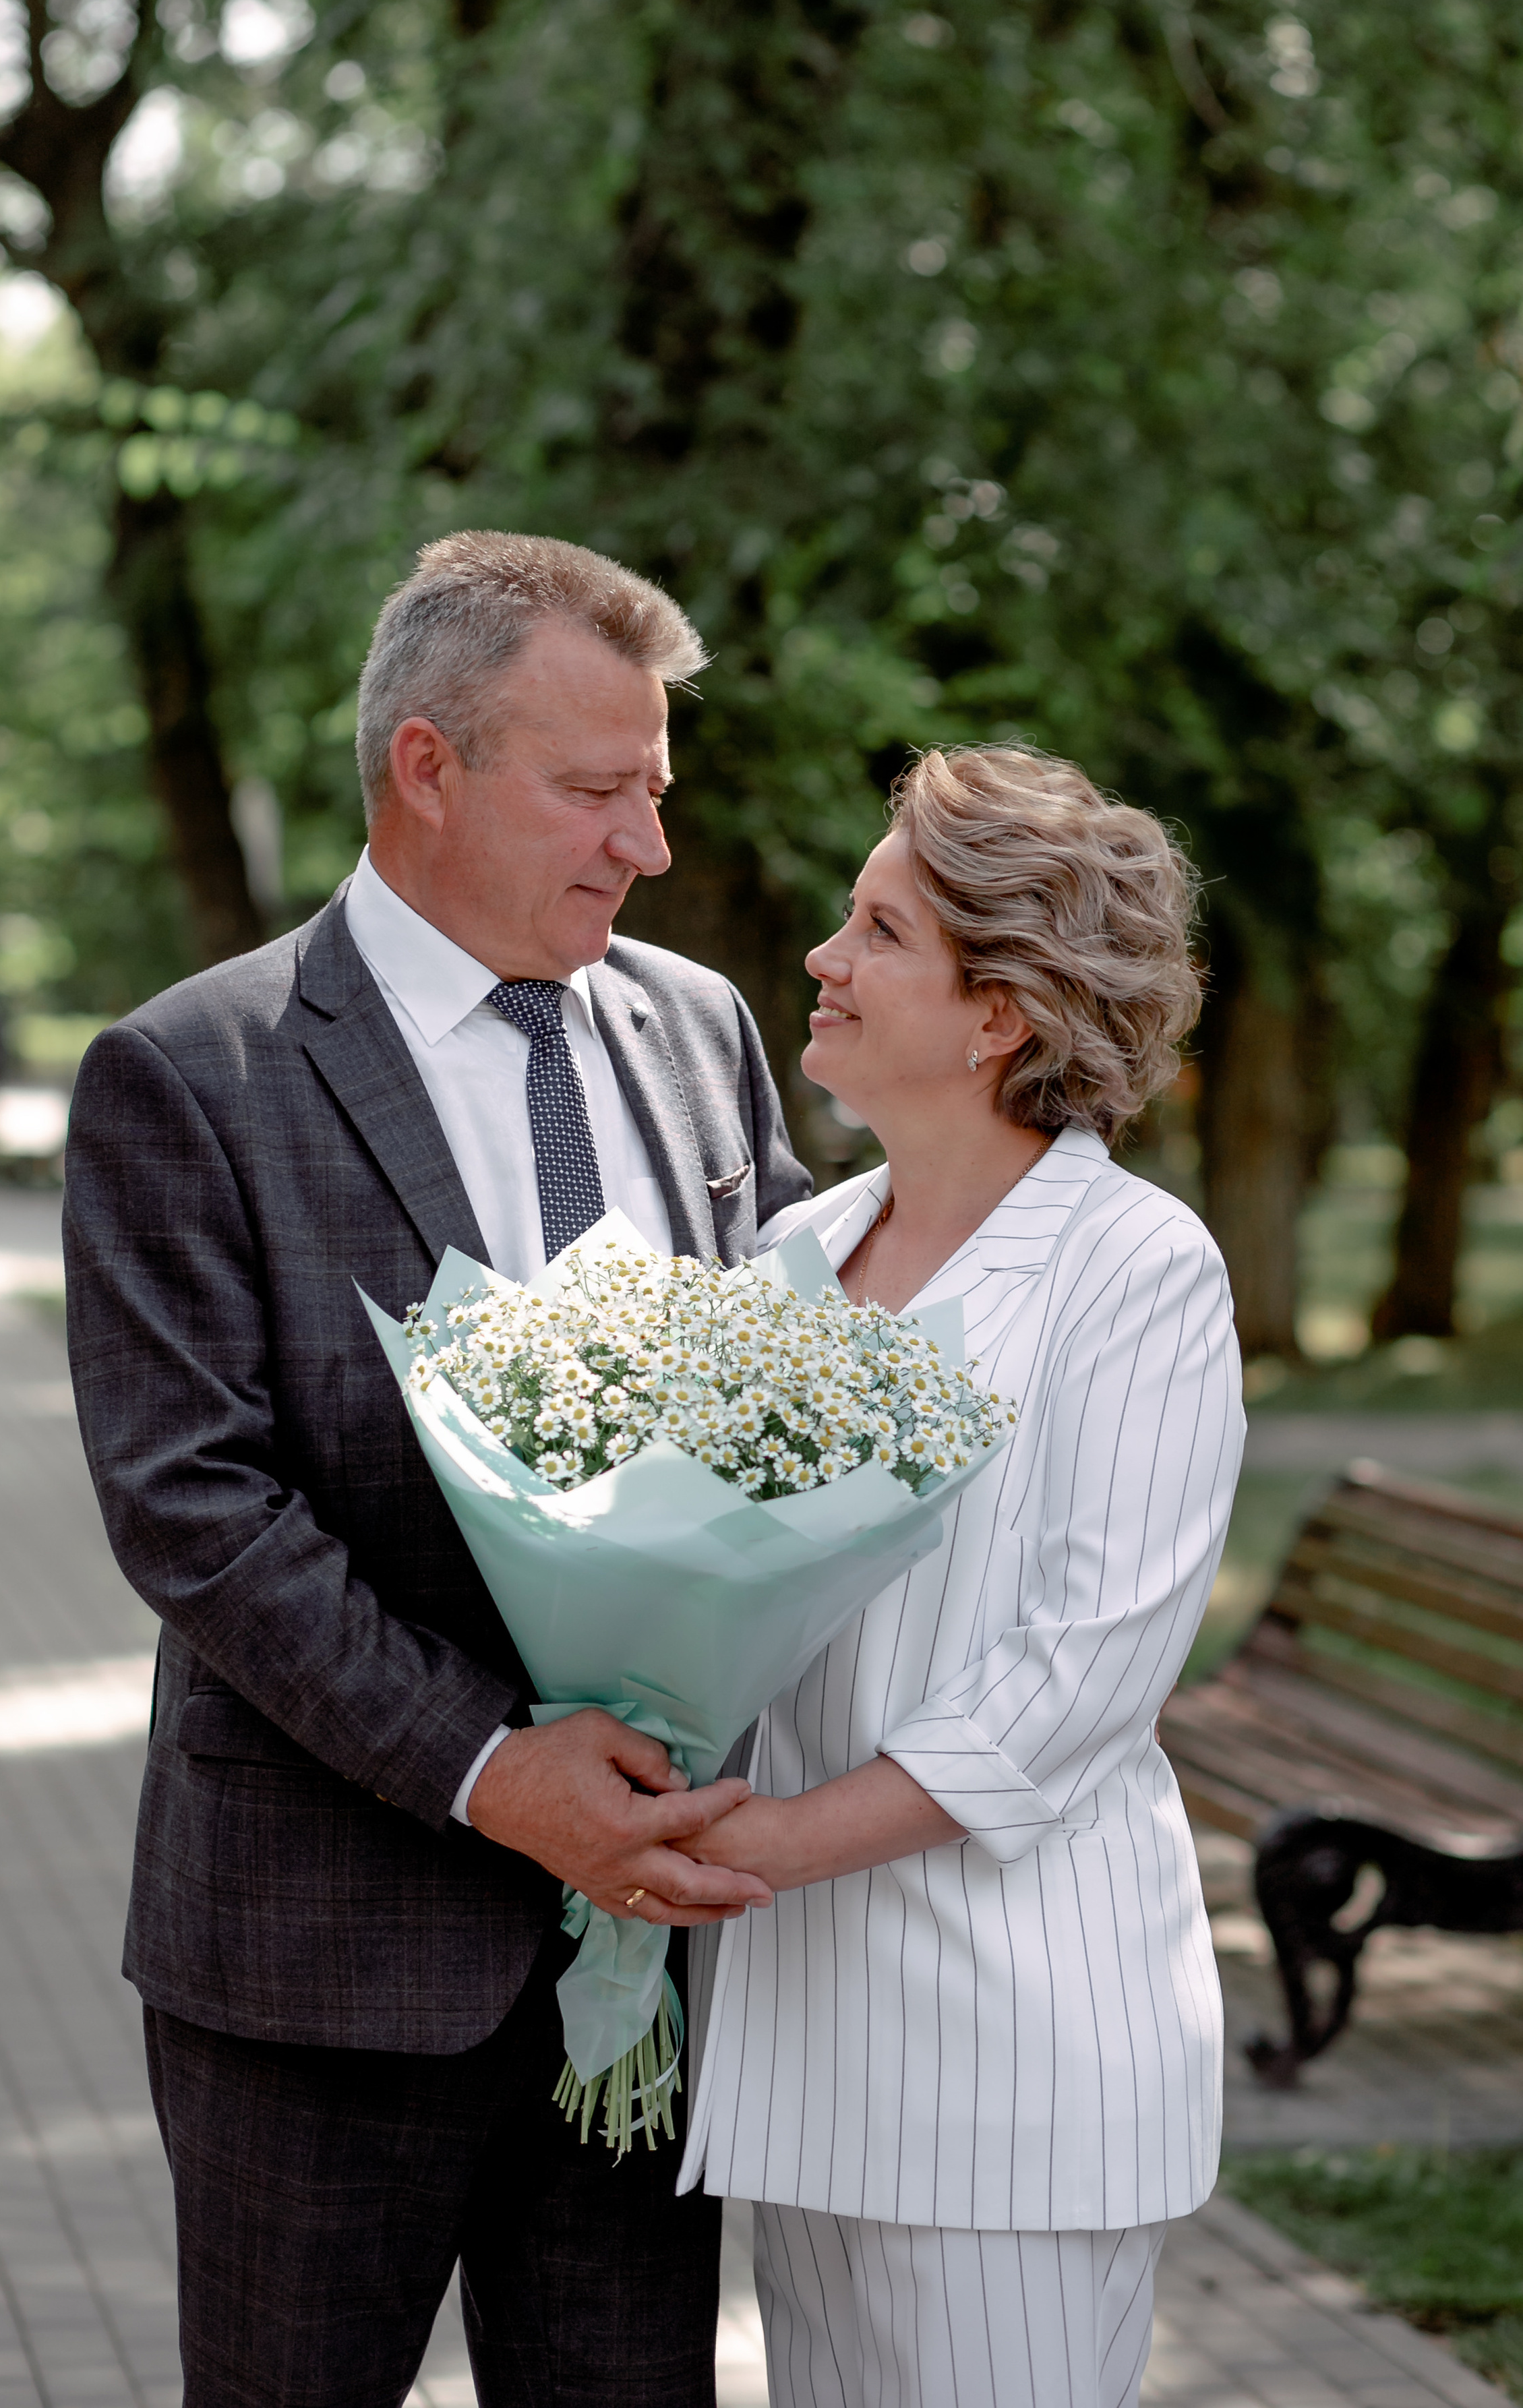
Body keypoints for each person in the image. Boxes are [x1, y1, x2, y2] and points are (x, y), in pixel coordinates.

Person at [62, 531, 813, 2408]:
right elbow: (198, 1515)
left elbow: (801, 1390)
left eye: (657, 790)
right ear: (428, 767)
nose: (643, 843)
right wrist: (493, 1773)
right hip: (323, 1956)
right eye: (594, 791)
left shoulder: (700, 1028)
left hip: (640, 1945)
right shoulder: (191, 1070)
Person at [674, 743, 1244, 2408]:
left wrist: (768, 1843)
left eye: (875, 931)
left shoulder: (1135, 1270)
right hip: (796, 2046)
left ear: (995, 1014)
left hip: (1011, 2054)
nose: (820, 960)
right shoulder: (789, 1256)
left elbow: (1076, 1680)